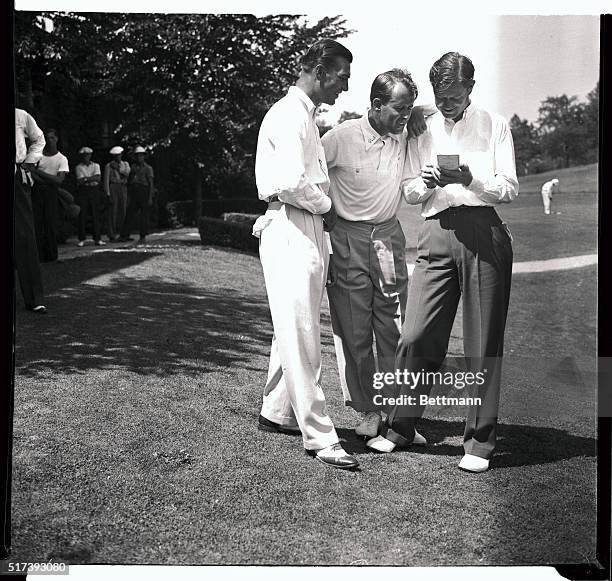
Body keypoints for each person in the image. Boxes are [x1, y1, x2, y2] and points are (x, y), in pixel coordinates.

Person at [366, 52, 518, 473]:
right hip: (434, 232)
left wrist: (471, 178)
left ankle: (479, 443)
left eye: (452, 95)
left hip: (485, 233)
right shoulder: (423, 127)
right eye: (439, 95)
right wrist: (426, 181)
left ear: (470, 87)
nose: (446, 102)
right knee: (415, 334)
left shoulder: (495, 124)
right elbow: (410, 191)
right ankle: (399, 427)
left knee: (482, 343)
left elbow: (509, 188)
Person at [252, 38, 358, 470]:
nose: (344, 88)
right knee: (301, 333)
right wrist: (330, 207)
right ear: (320, 70)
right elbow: (294, 183)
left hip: (305, 224)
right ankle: (319, 435)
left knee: (295, 325)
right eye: (342, 78)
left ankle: (276, 412)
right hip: (292, 223)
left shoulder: (306, 117)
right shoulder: (288, 114)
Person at [321, 69, 430, 440]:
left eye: (408, 109)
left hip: (388, 235)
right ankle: (367, 410)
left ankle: (394, 413)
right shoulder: (339, 137)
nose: (405, 116)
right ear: (376, 105)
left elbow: (433, 111)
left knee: (393, 326)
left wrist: (413, 112)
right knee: (353, 329)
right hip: (346, 237)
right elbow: (310, 170)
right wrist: (325, 210)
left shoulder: (403, 135)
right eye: (399, 109)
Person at [14, 108, 47, 313]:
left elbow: (39, 139)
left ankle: (34, 298)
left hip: (17, 177)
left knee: (25, 236)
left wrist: (28, 163)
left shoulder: (20, 115)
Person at [29, 128, 69, 262]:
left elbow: (59, 180)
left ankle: (51, 255)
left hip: (51, 193)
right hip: (38, 191)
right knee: (38, 223)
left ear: (56, 139)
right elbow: (32, 174)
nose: (50, 141)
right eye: (47, 138)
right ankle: (39, 255)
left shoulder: (61, 159)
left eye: (52, 138)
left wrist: (41, 173)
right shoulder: (39, 156)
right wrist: (47, 179)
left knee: (50, 223)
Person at [120, 146, 154, 243]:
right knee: (130, 213)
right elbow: (130, 179)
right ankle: (124, 234)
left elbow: (151, 183)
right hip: (135, 190)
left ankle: (143, 235)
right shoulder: (134, 167)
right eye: (137, 156)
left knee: (144, 215)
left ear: (144, 157)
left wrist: (150, 197)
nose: (139, 158)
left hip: (144, 190)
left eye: (141, 156)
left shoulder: (148, 168)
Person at [74, 146, 105, 247]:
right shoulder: (78, 167)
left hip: (94, 190)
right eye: (84, 155)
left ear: (90, 155)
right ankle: (82, 238)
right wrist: (91, 178)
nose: (86, 157)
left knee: (96, 214)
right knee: (82, 215)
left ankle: (97, 238)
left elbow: (98, 178)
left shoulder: (96, 165)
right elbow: (80, 181)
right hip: (84, 191)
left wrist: (86, 179)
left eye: (88, 155)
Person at [103, 146, 130, 241]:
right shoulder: (109, 166)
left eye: (119, 155)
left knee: (123, 210)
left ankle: (124, 233)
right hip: (113, 186)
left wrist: (118, 168)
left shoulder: (125, 164)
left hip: (122, 186)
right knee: (113, 211)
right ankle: (112, 233)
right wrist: (107, 192)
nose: (117, 157)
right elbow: (106, 180)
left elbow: (127, 174)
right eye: (115, 155)